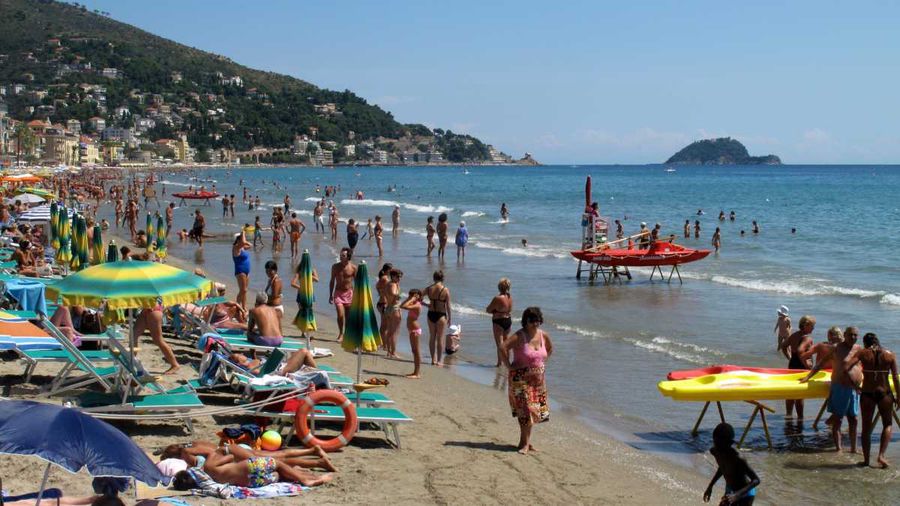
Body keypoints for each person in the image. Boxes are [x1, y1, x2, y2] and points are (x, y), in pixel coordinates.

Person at [801, 327, 862, 453]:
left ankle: (854, 448)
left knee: (854, 419)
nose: (853, 337)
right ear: (844, 335)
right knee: (838, 419)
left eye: (855, 335)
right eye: (850, 335)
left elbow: (864, 364)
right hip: (840, 386)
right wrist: (807, 377)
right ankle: (838, 448)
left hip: (855, 389)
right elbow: (821, 363)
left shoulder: (858, 349)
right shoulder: (837, 348)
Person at [501, 307, 552, 455]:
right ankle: (526, 444)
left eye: (537, 321)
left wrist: (540, 362)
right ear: (526, 321)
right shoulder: (519, 336)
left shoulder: (544, 336)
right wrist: (509, 366)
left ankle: (524, 442)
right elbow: (503, 347)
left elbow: (549, 349)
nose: (535, 324)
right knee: (525, 411)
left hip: (538, 380)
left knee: (534, 411)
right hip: (520, 378)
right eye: (532, 321)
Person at [171, 443, 331, 489]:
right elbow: (230, 455)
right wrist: (221, 452)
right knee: (280, 463)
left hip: (252, 483)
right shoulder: (207, 465)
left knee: (281, 474)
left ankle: (311, 474)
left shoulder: (208, 483)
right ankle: (307, 478)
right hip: (248, 466)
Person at [857, 333, 900, 468]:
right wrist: (899, 396)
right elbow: (895, 378)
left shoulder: (862, 353)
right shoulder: (890, 354)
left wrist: (855, 386)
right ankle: (881, 455)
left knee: (866, 428)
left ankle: (866, 461)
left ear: (865, 343)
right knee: (887, 424)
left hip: (867, 393)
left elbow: (846, 367)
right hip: (885, 393)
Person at [703, 423, 760, 505]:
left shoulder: (738, 458)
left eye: (720, 445)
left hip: (745, 493)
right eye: (715, 443)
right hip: (731, 490)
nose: (718, 448)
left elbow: (756, 480)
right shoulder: (715, 451)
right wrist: (710, 486)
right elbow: (722, 467)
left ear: (730, 443)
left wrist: (736, 495)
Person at [780, 314, 815, 418]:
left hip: (792, 364)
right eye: (812, 326)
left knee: (791, 391)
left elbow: (783, 346)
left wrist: (790, 357)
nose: (813, 328)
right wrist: (807, 365)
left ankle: (789, 415)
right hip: (801, 367)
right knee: (800, 394)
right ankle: (800, 418)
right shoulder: (807, 338)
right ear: (806, 325)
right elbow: (800, 351)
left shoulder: (794, 335)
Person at [134, 306, 179, 374]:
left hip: (153, 310)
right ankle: (131, 360)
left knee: (158, 340)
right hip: (145, 310)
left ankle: (175, 365)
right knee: (133, 336)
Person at [328, 247, 357, 342]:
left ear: (348, 256)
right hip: (338, 293)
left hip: (349, 293)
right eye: (340, 255)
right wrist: (330, 295)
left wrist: (357, 296)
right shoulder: (335, 267)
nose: (341, 257)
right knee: (340, 315)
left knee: (348, 317)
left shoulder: (353, 268)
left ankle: (347, 334)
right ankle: (341, 333)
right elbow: (332, 281)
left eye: (343, 255)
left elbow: (357, 283)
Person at [424, 270, 451, 367]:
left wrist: (425, 304)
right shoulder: (445, 289)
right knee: (440, 338)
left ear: (433, 278)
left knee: (432, 337)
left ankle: (433, 359)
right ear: (442, 278)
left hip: (430, 313)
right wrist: (450, 318)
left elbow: (418, 296)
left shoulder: (429, 288)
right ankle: (439, 361)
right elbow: (448, 306)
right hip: (441, 315)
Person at [486, 278, 513, 368]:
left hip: (498, 321)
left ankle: (499, 363)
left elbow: (488, 310)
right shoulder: (510, 298)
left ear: (499, 287)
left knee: (500, 344)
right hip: (508, 320)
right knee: (507, 343)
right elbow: (510, 309)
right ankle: (508, 363)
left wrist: (494, 311)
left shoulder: (497, 298)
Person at [401, 288, 423, 378]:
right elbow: (402, 305)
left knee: (416, 351)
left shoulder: (417, 304)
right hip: (411, 329)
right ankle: (415, 372)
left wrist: (412, 299)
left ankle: (417, 373)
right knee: (414, 351)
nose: (410, 297)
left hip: (415, 330)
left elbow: (404, 307)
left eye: (412, 295)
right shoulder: (412, 303)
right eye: (409, 295)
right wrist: (409, 298)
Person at [382, 269, 403, 358]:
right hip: (395, 308)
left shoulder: (388, 284)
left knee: (390, 331)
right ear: (393, 276)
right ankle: (393, 352)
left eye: (400, 277)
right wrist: (398, 295)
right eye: (398, 277)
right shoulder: (394, 285)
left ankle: (389, 351)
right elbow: (393, 293)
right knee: (394, 332)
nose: (399, 279)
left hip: (388, 308)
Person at [232, 232, 251, 309]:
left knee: (245, 291)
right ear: (238, 240)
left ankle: (244, 307)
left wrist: (244, 240)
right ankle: (237, 306)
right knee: (243, 290)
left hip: (246, 272)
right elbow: (244, 242)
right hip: (240, 271)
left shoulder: (242, 247)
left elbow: (250, 245)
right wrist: (243, 231)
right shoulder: (236, 247)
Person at [264, 260, 284, 328]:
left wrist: (263, 303)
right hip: (270, 307)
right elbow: (266, 293)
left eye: (270, 271)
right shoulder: (270, 280)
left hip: (276, 308)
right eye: (267, 271)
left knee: (275, 329)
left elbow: (274, 296)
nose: (268, 273)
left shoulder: (276, 280)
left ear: (275, 270)